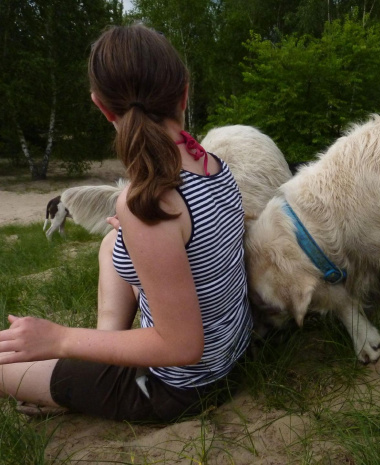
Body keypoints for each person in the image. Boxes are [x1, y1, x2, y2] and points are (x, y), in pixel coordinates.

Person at [0, 24, 252, 422]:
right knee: (109, 244)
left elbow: (183, 345)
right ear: (183, 93)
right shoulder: (212, 165)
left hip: (179, 387)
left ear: (101, 107)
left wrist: (60, 339)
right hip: (232, 348)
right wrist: (133, 235)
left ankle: (97, 368)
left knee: (2, 366)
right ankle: (107, 344)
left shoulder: (148, 202)